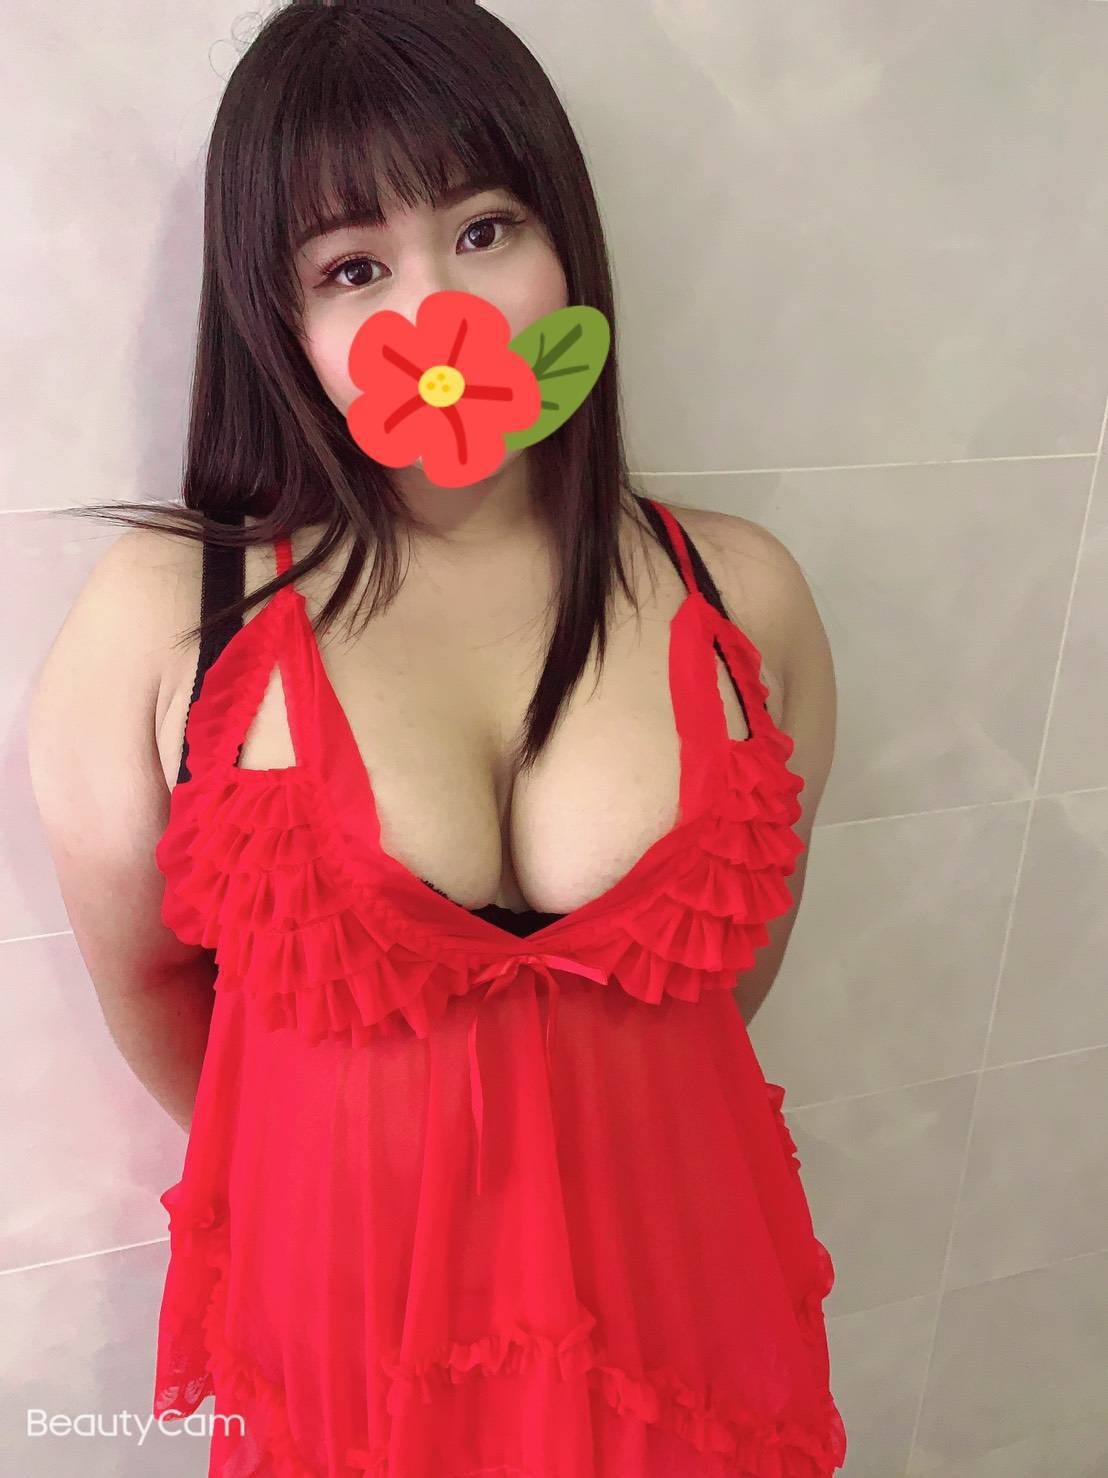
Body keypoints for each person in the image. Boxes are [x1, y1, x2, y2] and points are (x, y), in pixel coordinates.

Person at [28, 2, 843, 1473]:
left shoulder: (744, 594)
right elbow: (149, 981)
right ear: (279, 321)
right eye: (354, 268)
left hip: (682, 1314)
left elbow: (731, 982)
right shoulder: (166, 614)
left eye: (483, 229)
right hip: (349, 1339)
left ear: (565, 244)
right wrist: (351, 1156)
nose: (439, 314)